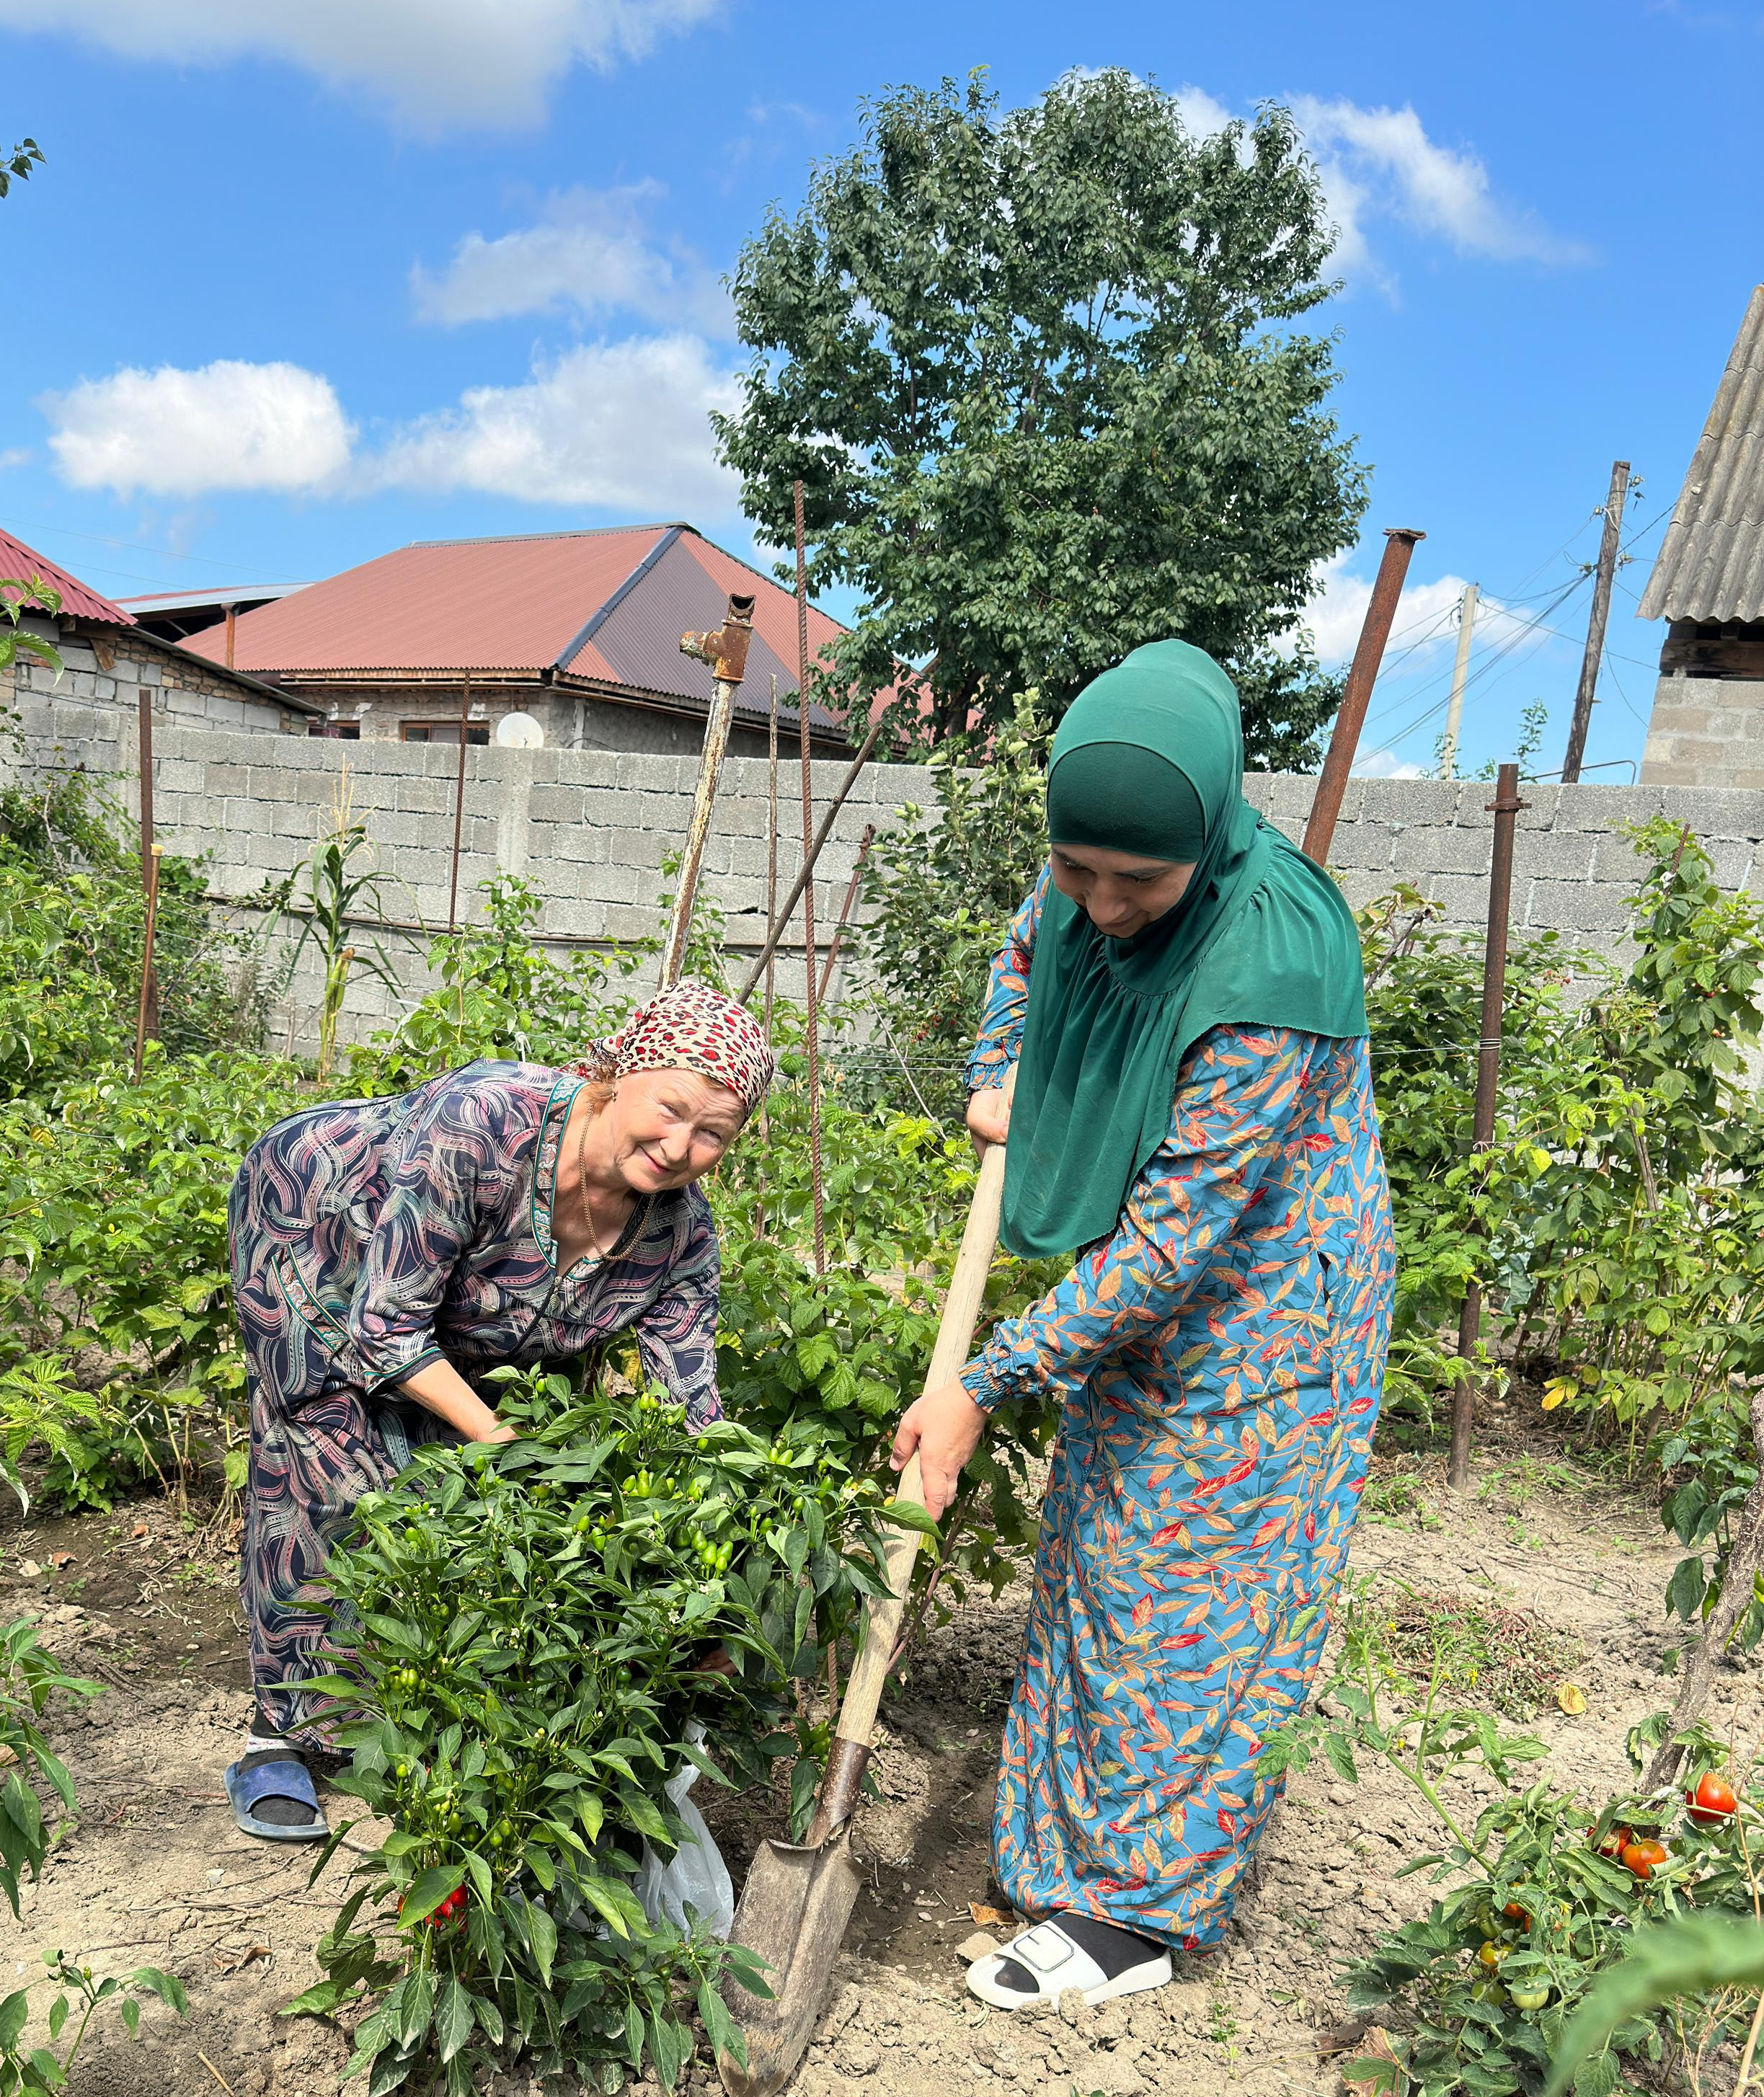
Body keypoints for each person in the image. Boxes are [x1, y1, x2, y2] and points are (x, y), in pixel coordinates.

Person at [892, 639, 1393, 2010]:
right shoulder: (1080, 882)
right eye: (1079, 871)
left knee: (1194, 1605)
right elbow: (1027, 959)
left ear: (1208, 836)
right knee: (1102, 1565)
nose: (1104, 908)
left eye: (1140, 886)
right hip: (1142, 1294)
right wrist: (998, 1073)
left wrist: (983, 1382)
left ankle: (1135, 1918)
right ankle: (1064, 1866)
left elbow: (1178, 1241)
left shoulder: (1272, 956)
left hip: (1265, 1319)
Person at [223, 980, 774, 1839]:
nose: (680, 1147)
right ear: (617, 1073)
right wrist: (495, 1433)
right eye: (669, 1109)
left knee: (448, 1481)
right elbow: (386, 1321)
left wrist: (721, 1571)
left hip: (449, 1301)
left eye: (714, 1134)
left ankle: (402, 1706)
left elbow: (690, 1407)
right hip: (319, 1221)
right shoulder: (485, 1122)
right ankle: (279, 1731)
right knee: (331, 1463)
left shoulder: (681, 1236)